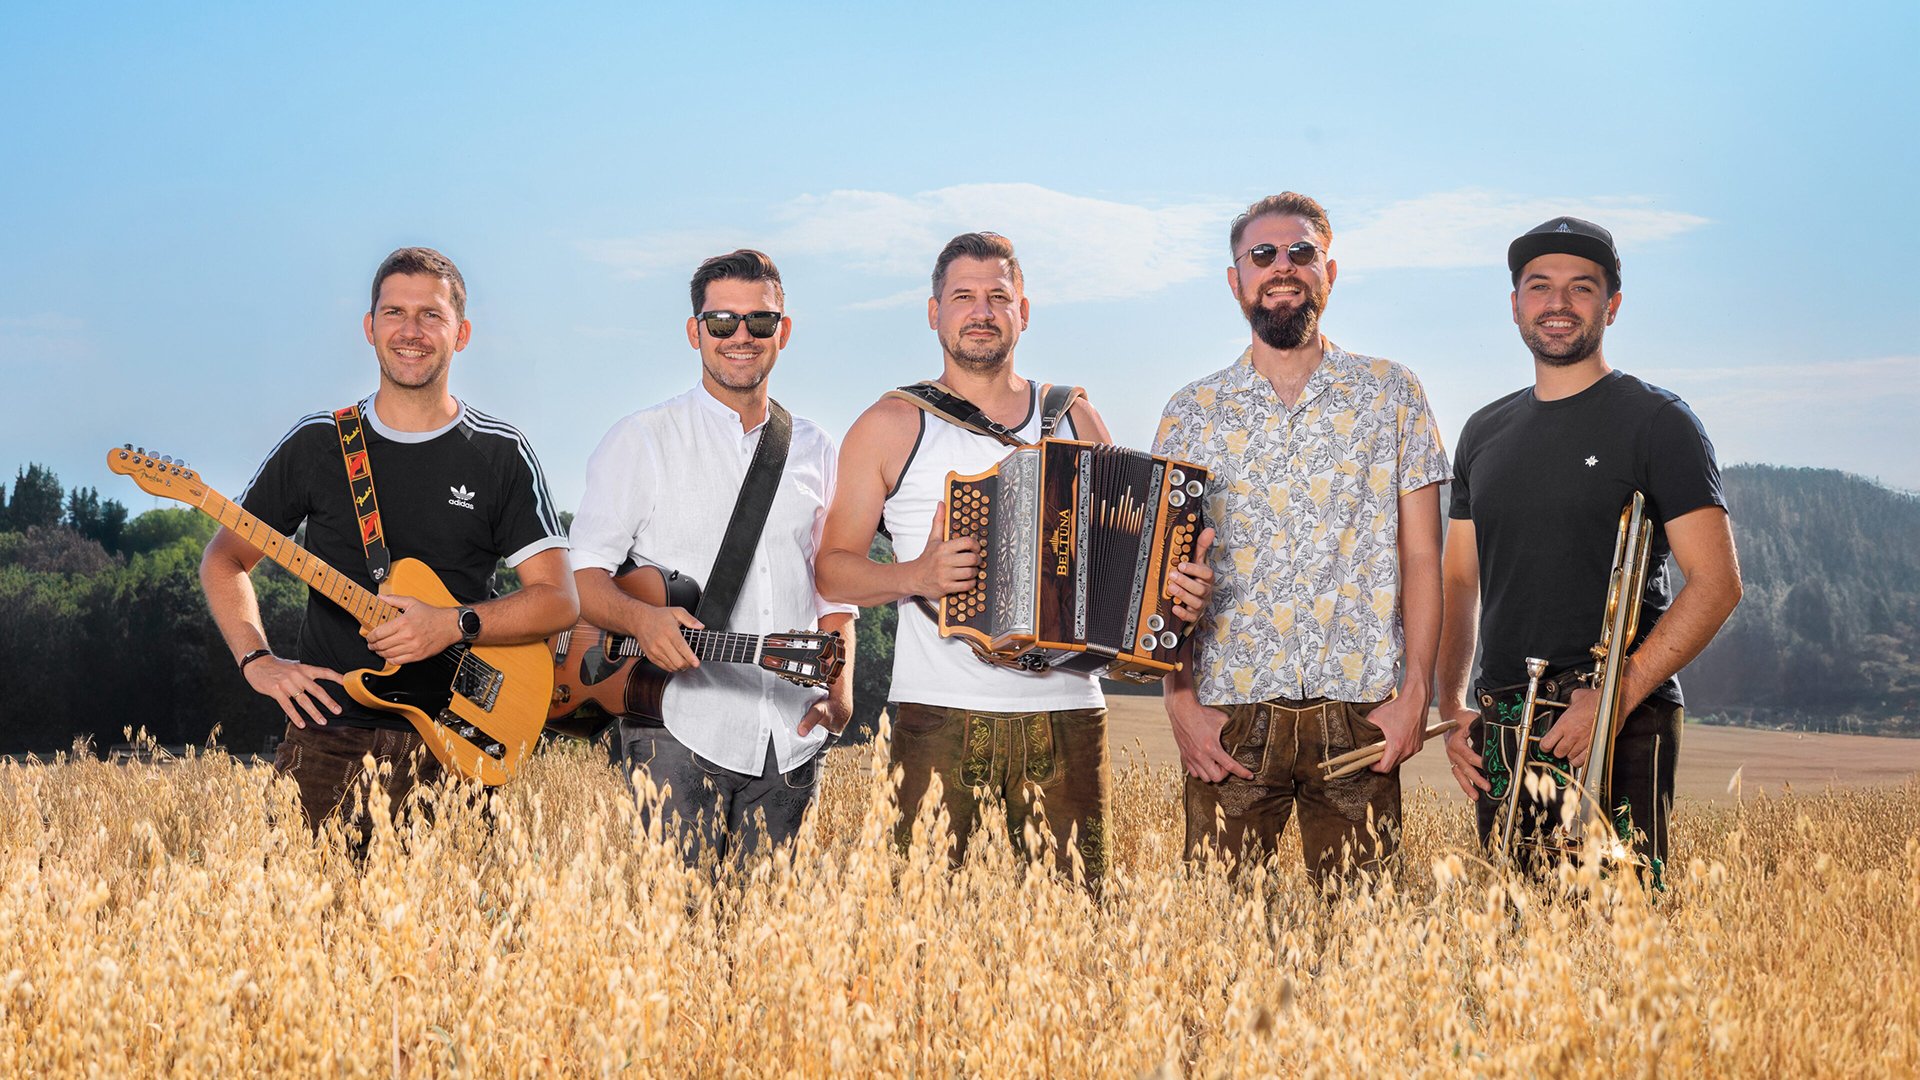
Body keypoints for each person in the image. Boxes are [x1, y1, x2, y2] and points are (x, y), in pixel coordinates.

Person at [817, 231, 1213, 888]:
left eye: (997, 297)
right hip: (935, 715)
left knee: (1073, 938)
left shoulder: (1073, 415)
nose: (980, 311)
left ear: (1022, 313)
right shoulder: (889, 424)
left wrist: (1181, 595)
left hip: (1067, 715)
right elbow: (831, 568)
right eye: (963, 296)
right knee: (920, 937)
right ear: (933, 311)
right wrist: (916, 575)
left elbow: (1138, 561)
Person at [200, 246, 577, 834]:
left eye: (431, 315)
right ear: (369, 327)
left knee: (451, 926)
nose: (411, 330)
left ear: (462, 332)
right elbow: (227, 557)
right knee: (304, 923)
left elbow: (559, 600)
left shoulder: (501, 453)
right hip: (327, 735)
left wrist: (451, 625)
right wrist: (257, 660)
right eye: (394, 312)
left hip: (458, 743)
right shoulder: (319, 444)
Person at [1155, 192, 1450, 885]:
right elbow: (1160, 579)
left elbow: (1422, 558)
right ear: (1236, 280)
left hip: (1360, 715)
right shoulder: (1190, 412)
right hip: (1230, 713)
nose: (1282, 267)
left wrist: (1415, 695)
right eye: (1263, 255)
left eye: (1301, 252)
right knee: (1214, 940)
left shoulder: (1393, 393)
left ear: (1330, 271)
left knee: (1363, 948)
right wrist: (1180, 705)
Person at [1438, 216, 1742, 878]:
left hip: (1618, 711)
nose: (1558, 304)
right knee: (1517, 937)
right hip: (1505, 712)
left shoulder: (1658, 422)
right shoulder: (1483, 432)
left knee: (1621, 939)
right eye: (1539, 286)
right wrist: (1453, 704)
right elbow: (1459, 580)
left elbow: (1717, 582)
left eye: (1581, 288)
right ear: (1516, 303)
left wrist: (1615, 693)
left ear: (1613, 305)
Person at [568, 249, 855, 864]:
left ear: (785, 330)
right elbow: (582, 579)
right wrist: (644, 620)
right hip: (675, 727)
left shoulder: (818, 449)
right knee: (678, 939)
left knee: (765, 942)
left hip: (792, 736)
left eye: (760, 321)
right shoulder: (641, 439)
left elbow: (835, 587)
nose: (741, 337)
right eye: (722, 322)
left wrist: (843, 689)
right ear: (695, 331)